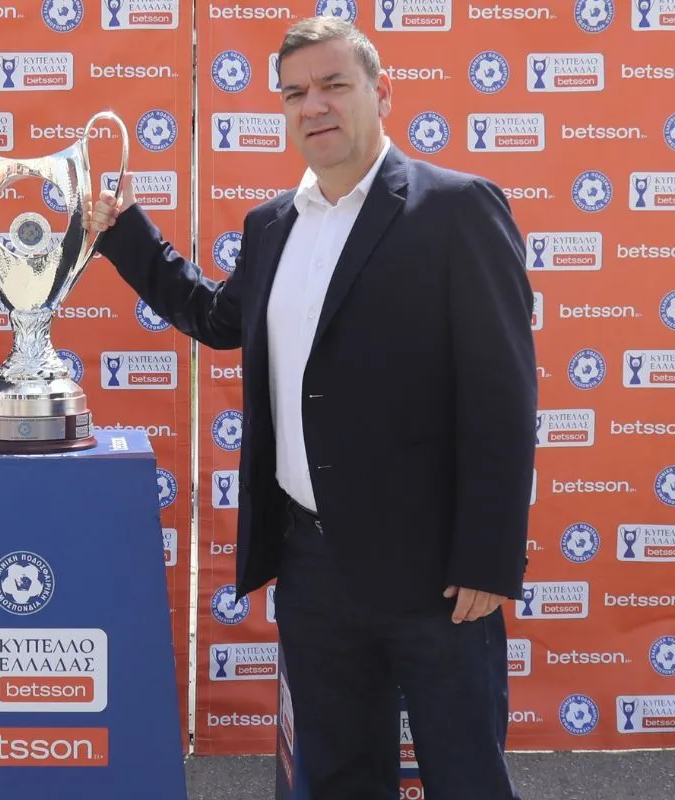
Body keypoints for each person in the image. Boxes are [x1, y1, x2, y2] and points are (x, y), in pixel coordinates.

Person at [89, 17, 536, 800]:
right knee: (334, 778)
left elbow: (503, 397)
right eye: (294, 93)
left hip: (435, 573)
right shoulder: (272, 225)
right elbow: (219, 320)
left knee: (466, 776)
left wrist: (489, 558)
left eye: (334, 85)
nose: (313, 105)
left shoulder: (458, 209)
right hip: (313, 567)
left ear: (381, 92)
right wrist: (126, 234)